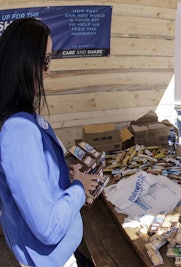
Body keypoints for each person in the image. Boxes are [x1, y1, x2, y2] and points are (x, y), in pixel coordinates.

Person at [0, 18, 101, 267]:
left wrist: (66, 178)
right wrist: (78, 188)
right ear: (23, 62)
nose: (49, 70)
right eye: (45, 60)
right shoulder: (18, 130)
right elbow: (47, 228)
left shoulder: (22, 119)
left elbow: (33, 185)